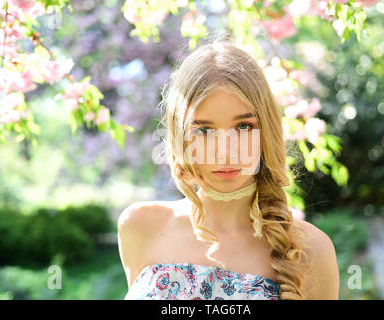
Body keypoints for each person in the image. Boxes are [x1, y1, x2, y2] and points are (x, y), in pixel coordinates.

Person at [118, 32, 339, 300]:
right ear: (181, 136)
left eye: (243, 126)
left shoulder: (312, 250)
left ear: (266, 129)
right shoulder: (140, 227)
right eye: (204, 130)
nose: (225, 153)